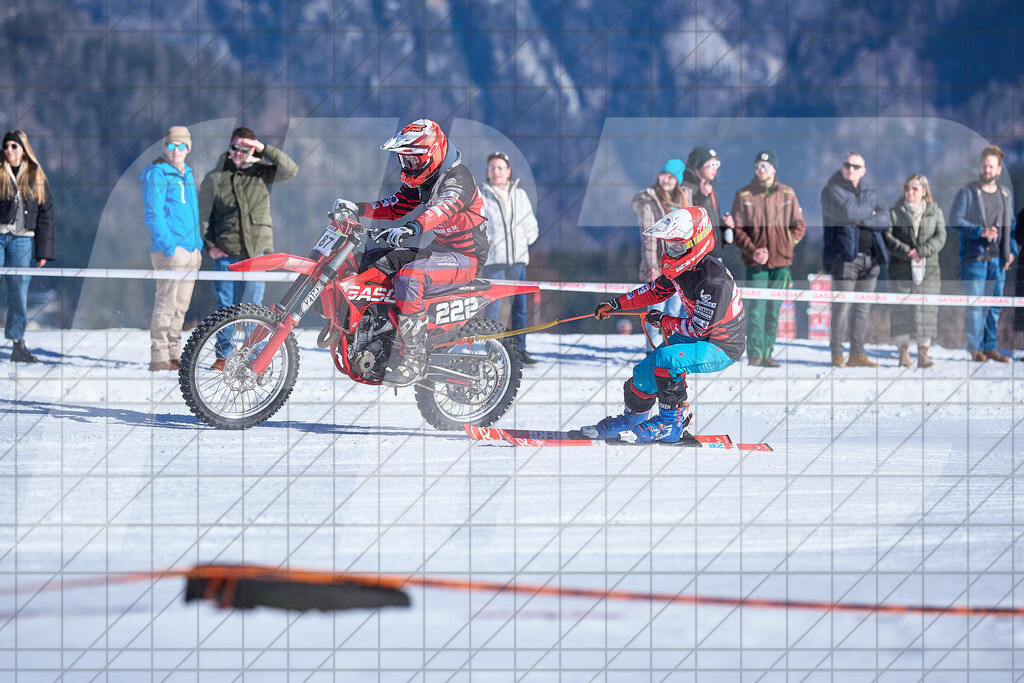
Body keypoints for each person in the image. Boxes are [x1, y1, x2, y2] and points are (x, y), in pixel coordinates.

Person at [333, 119, 489, 386]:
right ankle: (381, 334)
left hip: (466, 258)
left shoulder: (458, 178)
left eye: (413, 160)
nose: (408, 165)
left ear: (432, 154)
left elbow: (442, 209)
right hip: (439, 251)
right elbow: (395, 205)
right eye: (404, 160)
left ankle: (414, 360)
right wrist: (358, 208)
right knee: (375, 262)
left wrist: (412, 228)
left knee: (409, 277)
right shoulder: (425, 178)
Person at [581, 207, 746, 444]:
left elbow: (698, 329)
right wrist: (616, 304)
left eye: (677, 246)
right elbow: (655, 291)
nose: (670, 252)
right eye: (667, 245)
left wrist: (664, 320)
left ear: (695, 244)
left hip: (721, 345)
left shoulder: (714, 281)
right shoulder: (683, 268)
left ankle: (671, 425)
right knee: (643, 374)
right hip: (697, 334)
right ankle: (633, 421)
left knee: (668, 359)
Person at [199, 126, 298, 369]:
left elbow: (290, 170)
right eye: (235, 147)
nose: (238, 152)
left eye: (245, 148)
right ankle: (223, 356)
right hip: (226, 251)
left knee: (253, 307)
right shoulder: (215, 177)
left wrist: (264, 149)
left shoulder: (262, 172)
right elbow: (203, 215)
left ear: (252, 150)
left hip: (256, 252)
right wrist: (210, 247)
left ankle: (251, 355)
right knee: (225, 307)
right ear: (229, 147)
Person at [731, 149, 806, 367]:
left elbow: (799, 226)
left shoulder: (787, 194)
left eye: (764, 166)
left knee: (774, 310)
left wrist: (784, 247)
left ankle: (767, 354)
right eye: (757, 166)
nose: (760, 170)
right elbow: (737, 231)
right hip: (755, 263)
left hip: (781, 263)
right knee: (756, 308)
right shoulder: (744, 195)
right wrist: (753, 250)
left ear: (774, 168)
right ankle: (755, 354)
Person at [140, 126, 202, 371]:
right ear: (164, 147)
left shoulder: (187, 173)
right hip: (171, 251)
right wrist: (169, 247)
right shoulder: (157, 173)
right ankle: (159, 356)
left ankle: (174, 354)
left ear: (188, 148)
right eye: (171, 145)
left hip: (191, 250)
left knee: (180, 307)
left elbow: (192, 212)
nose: (176, 150)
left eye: (181, 146)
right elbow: (153, 214)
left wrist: (198, 245)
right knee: (165, 304)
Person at [821, 152, 889, 368]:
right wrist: (870, 213)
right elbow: (847, 213)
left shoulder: (870, 192)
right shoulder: (831, 190)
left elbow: (886, 218)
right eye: (847, 165)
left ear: (863, 171)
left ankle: (857, 355)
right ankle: (837, 354)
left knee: (862, 308)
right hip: (844, 257)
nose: (851, 169)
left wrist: (861, 218)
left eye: (856, 166)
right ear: (842, 167)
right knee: (841, 307)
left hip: (872, 257)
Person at [950, 145, 1016, 363]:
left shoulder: (1005, 195)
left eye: (991, 166)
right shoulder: (968, 192)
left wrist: (1012, 251)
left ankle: (990, 348)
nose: (987, 169)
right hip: (974, 259)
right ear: (979, 166)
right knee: (975, 306)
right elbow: (955, 220)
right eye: (984, 165)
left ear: (999, 169)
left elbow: (1011, 227)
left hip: (999, 260)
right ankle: (975, 348)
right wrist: (979, 231)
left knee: (995, 306)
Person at [479, 150, 539, 365]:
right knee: (492, 307)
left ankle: (521, 349)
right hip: (494, 260)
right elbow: (478, 225)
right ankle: (490, 350)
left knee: (519, 307)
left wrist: (527, 239)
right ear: (487, 172)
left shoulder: (519, 195)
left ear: (508, 171)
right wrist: (487, 242)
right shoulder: (482, 196)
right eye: (492, 168)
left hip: (518, 259)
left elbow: (530, 223)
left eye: (500, 168)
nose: (496, 171)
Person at [0, 130, 55, 363]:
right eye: (6, 146)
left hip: (23, 239)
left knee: (19, 291)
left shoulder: (36, 176)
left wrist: (43, 251)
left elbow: (46, 215)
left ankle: (18, 343)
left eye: (14, 146)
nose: (9, 150)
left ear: (23, 149)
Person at [883, 174, 946, 369]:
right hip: (900, 269)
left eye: (915, 188)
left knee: (927, 311)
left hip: (929, 270)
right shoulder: (895, 212)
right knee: (901, 310)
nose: (910, 192)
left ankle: (923, 354)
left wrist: (922, 251)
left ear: (924, 191)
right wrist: (907, 252)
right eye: (907, 188)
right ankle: (903, 354)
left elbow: (941, 236)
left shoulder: (935, 212)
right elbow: (887, 236)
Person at [632, 159, 692, 345]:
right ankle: (651, 347)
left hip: (680, 266)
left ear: (677, 180)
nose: (665, 179)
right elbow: (648, 238)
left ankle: (667, 346)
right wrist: (651, 266)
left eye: (670, 176)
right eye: (662, 175)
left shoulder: (684, 200)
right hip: (659, 265)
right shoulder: (650, 202)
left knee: (673, 310)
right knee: (655, 309)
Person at [680, 146, 735, 261]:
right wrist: (701, 197)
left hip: (715, 256)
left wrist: (723, 224)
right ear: (698, 164)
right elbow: (687, 223)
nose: (715, 168)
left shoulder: (711, 190)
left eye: (717, 164)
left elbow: (709, 223)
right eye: (711, 164)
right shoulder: (686, 189)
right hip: (698, 258)